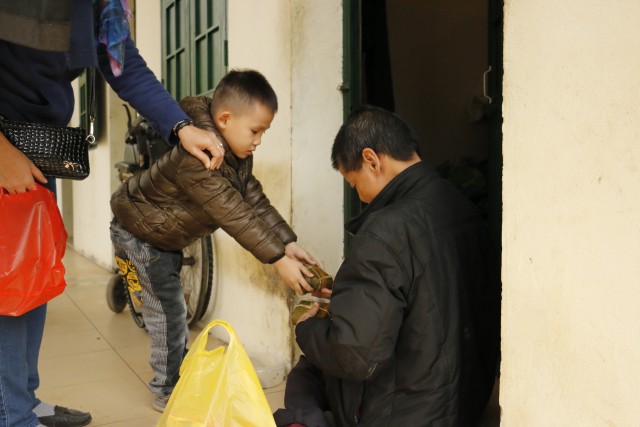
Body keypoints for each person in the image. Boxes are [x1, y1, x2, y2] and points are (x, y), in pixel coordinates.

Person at [0, 1, 224, 426]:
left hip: (36, 145)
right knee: (8, 286)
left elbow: (122, 64)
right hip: (6, 145)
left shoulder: (103, 5)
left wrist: (180, 125)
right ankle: (11, 416)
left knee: (33, 276)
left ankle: (20, 401)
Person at [274, 106, 501, 426]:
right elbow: (428, 296)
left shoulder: (384, 231)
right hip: (464, 404)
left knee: (309, 365)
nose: (361, 197)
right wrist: (347, 296)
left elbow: (357, 357)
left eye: (354, 184)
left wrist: (307, 329)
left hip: (403, 415)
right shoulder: (461, 205)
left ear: (371, 160)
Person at [109, 68, 317, 412]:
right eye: (255, 131)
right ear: (224, 119)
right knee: (168, 311)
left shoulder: (236, 156)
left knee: (170, 306)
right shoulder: (199, 158)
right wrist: (277, 260)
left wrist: (287, 242)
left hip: (163, 235)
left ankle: (176, 367)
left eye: (263, 132)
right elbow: (233, 213)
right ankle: (166, 388)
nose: (258, 141)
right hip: (138, 233)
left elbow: (253, 199)